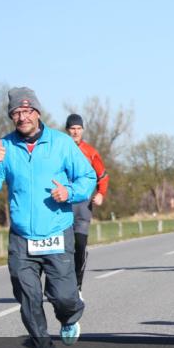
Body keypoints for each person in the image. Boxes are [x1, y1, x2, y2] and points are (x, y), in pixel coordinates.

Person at [0, 88, 95, 348]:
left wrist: (69, 192)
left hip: (57, 230)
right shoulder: (4, 147)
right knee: (27, 296)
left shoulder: (62, 144)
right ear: (11, 116)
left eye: (27, 111)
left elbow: (87, 177)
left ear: (37, 113)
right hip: (21, 237)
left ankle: (70, 315)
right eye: (16, 112)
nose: (22, 117)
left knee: (63, 296)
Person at [65, 114, 110, 295]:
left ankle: (77, 287)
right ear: (67, 130)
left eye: (78, 128)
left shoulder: (90, 152)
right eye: (72, 129)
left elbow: (103, 175)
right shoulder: (59, 149)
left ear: (82, 130)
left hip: (82, 206)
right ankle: (57, 285)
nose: (75, 132)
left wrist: (100, 193)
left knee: (80, 246)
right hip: (61, 207)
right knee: (59, 250)